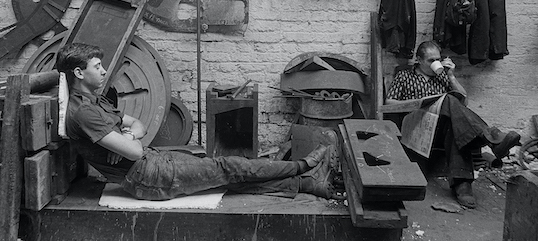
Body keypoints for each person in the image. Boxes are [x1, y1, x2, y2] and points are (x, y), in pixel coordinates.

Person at [55, 42, 340, 201]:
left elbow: (138, 126)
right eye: (97, 68)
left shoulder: (98, 101)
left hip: (151, 164)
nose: (104, 71)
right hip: (147, 178)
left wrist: (125, 138)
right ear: (79, 74)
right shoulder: (84, 113)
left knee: (225, 177)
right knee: (228, 165)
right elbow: (134, 150)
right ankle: (304, 167)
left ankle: (307, 186)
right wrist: (127, 143)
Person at [386, 40, 520, 208]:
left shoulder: (442, 76)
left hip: (440, 126)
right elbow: (388, 103)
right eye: (430, 60)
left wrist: (451, 76)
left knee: (453, 121)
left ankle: (463, 185)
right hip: (416, 125)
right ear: (419, 60)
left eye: (438, 59)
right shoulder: (405, 76)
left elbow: (464, 101)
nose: (436, 63)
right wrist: (417, 102)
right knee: (449, 101)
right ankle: (490, 138)